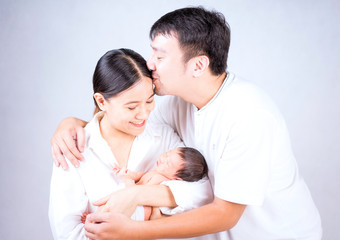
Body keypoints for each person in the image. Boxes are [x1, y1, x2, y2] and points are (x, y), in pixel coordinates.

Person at [51, 7, 322, 240]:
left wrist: (131, 229)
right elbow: (125, 121)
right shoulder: (176, 102)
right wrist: (71, 124)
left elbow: (224, 213)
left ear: (198, 65)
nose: (150, 64)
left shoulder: (249, 115)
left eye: (160, 56)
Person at [48, 48, 211, 240]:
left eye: (149, 101)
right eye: (131, 107)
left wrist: (138, 194)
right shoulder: (72, 148)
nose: (143, 114)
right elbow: (66, 232)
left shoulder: (163, 136)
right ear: (101, 101)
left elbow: (203, 191)